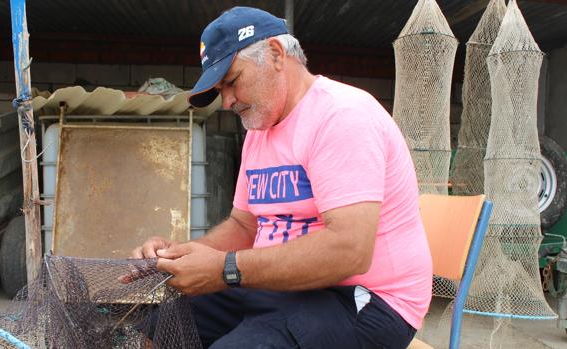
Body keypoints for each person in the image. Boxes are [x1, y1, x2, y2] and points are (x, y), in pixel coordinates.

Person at [131, 6, 432, 349]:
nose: (227, 101)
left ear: (275, 54)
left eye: (231, 82)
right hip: (282, 286)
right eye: (220, 90)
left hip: (364, 300)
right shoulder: (260, 127)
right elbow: (245, 227)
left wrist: (224, 269)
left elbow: (349, 251)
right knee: (160, 332)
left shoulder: (342, 117)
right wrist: (182, 255)